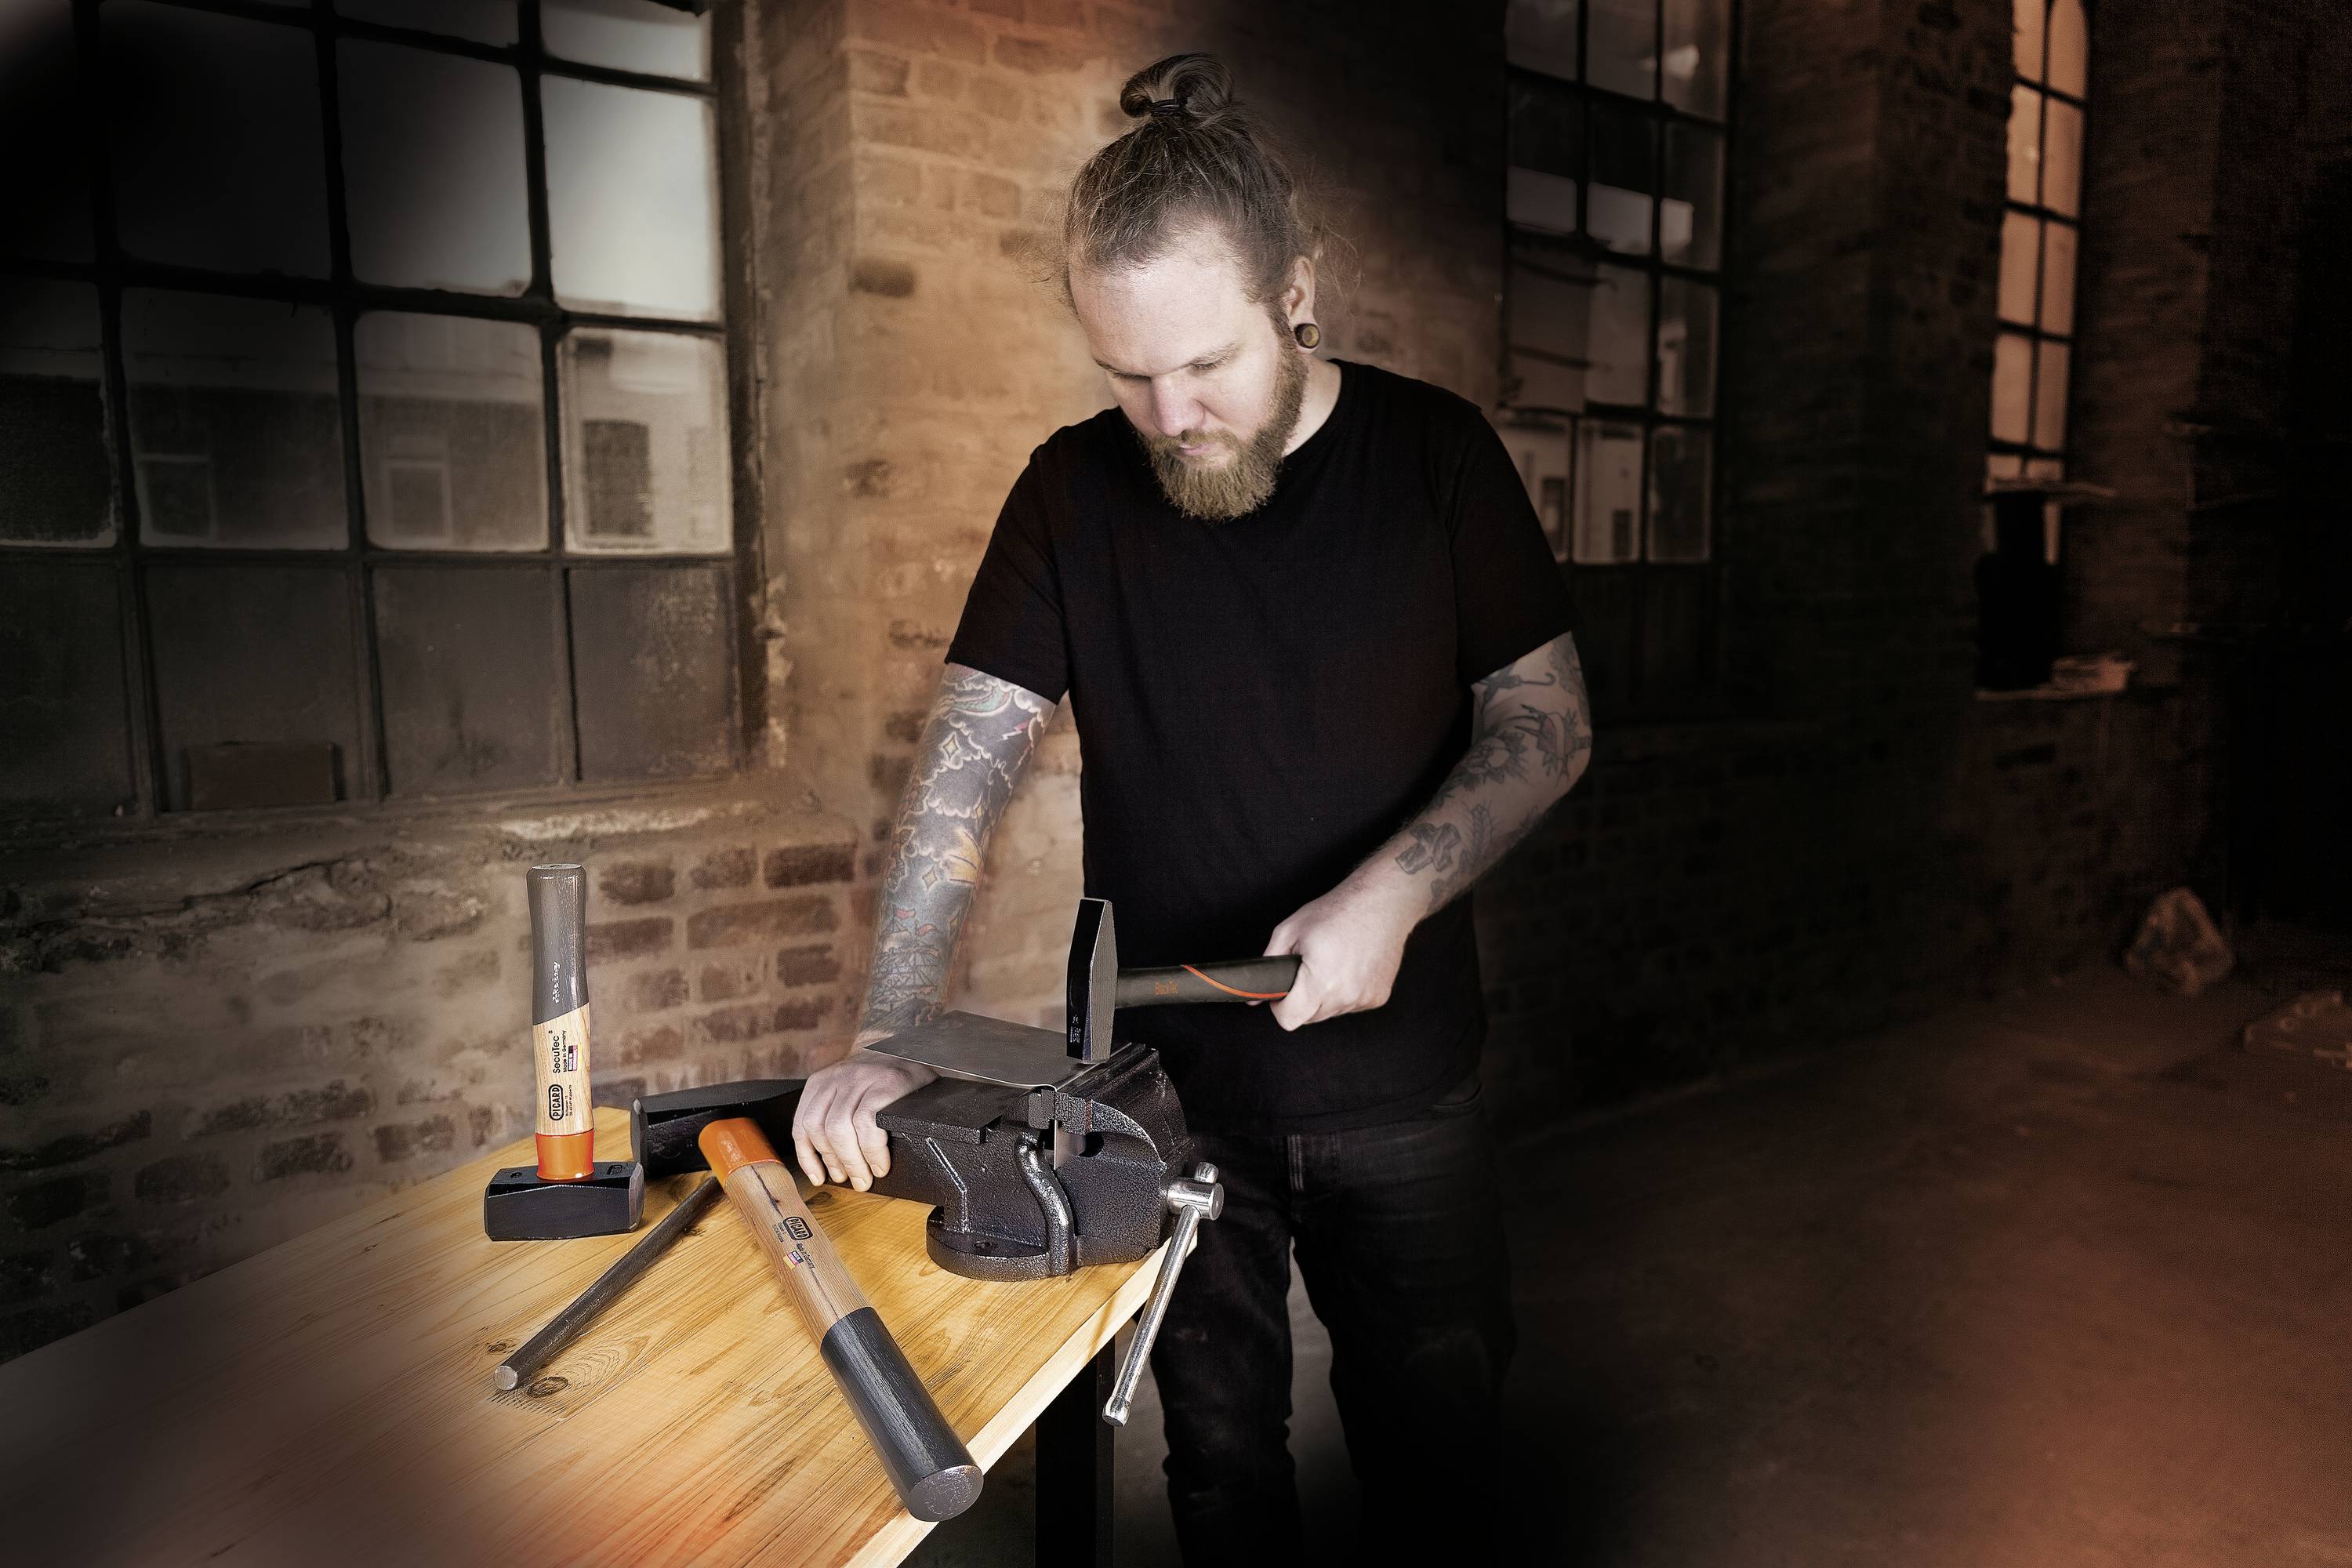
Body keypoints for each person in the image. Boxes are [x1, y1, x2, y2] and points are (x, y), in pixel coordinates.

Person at [790, 52, 1592, 1558]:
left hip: (1407, 1098)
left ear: (1299, 294)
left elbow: (1549, 727)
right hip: (1167, 1111)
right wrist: (893, 1033)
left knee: (1438, 1468)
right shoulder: (1069, 493)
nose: (1170, 413)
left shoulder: (1437, 462)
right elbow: (962, 782)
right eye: (1126, 372)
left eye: (1206, 363)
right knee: (1222, 1475)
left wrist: (1393, 894)